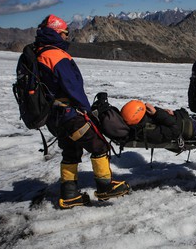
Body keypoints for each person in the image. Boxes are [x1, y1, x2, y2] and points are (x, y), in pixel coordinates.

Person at [35, 14, 130, 209]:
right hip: (70, 115)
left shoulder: (37, 53)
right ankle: (105, 186)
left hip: (54, 117)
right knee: (99, 145)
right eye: (64, 33)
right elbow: (73, 87)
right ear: (55, 32)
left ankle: (69, 194)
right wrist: (87, 112)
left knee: (71, 151)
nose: (66, 37)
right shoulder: (56, 55)